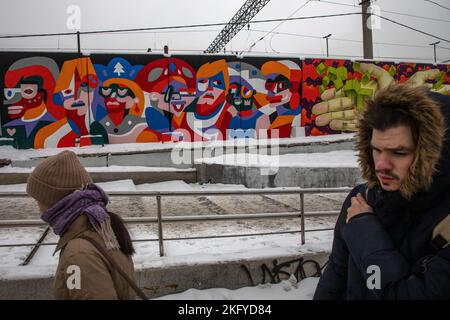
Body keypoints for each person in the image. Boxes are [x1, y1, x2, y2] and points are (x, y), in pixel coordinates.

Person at [313, 84, 450, 299]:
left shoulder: (446, 224)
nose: (382, 165)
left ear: (435, 155)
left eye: (399, 152)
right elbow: (335, 277)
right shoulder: (361, 198)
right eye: (376, 150)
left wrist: (364, 231)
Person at [26, 150, 138, 299]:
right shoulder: (101, 225)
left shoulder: (78, 254)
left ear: (54, 202)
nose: (38, 207)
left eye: (39, 199)